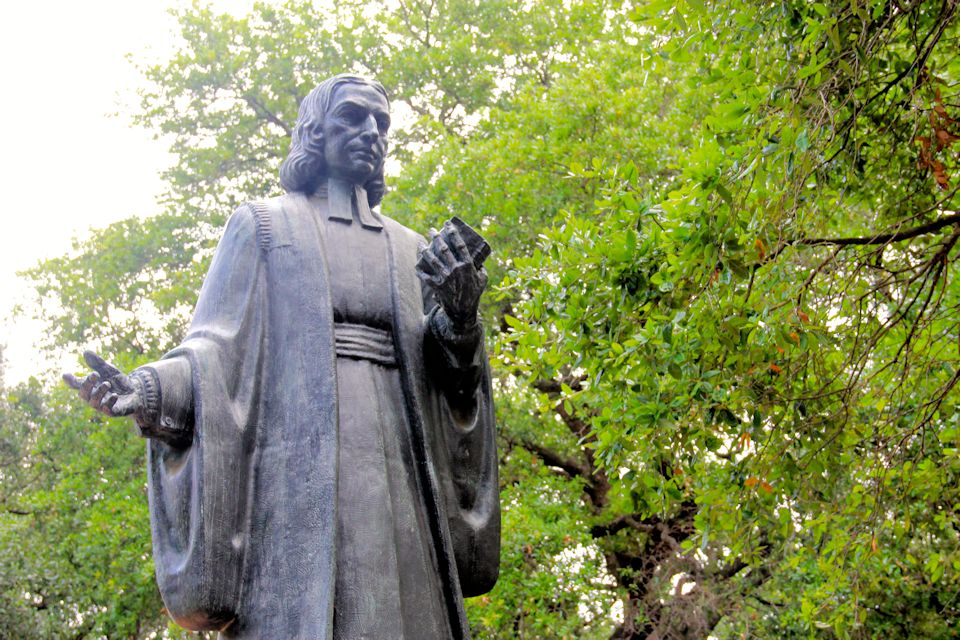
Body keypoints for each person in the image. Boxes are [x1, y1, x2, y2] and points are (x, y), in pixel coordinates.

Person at [64, 74, 499, 639]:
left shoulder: (409, 248)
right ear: (315, 131)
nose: (371, 132)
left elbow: (452, 383)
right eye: (352, 118)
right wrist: (147, 390)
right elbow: (216, 352)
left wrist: (461, 319)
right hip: (299, 470)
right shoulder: (266, 227)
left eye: (381, 124)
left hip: (401, 466)